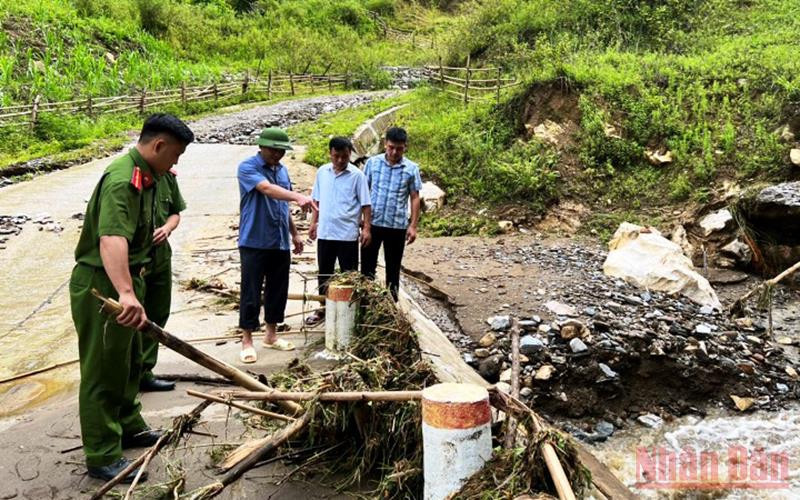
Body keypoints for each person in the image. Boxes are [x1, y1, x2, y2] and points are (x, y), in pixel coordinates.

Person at [69, 113, 194, 482]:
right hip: (104, 286)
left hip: (129, 279)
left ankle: (128, 425)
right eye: (175, 154)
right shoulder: (123, 179)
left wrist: (133, 288)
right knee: (103, 371)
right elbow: (111, 238)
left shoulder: (150, 176)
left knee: (128, 363)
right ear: (158, 145)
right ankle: (102, 454)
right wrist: (125, 292)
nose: (176, 162)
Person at [237, 127, 317, 363]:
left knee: (277, 290)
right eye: (273, 150)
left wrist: (295, 234)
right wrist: (298, 196)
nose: (277, 154)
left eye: (281, 151)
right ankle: (247, 340)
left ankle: (271, 335)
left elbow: (283, 205)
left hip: (279, 240)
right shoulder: (248, 167)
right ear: (261, 146)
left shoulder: (282, 171)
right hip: (254, 239)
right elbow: (267, 189)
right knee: (251, 291)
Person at [305, 137, 371, 326]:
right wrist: (313, 223)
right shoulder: (322, 172)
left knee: (349, 274)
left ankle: (349, 310)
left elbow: (366, 205)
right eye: (336, 156)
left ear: (350, 155)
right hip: (326, 232)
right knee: (324, 273)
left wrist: (367, 228)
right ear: (330, 154)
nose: (341, 160)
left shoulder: (357, 176)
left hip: (347, 234)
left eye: (345, 156)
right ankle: (323, 308)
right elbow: (316, 201)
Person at [361, 127, 422, 301]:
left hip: (397, 226)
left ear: (405, 147)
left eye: (399, 148)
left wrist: (413, 226)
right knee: (367, 267)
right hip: (372, 224)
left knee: (393, 268)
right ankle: (365, 303)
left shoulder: (411, 168)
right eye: (391, 147)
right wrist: (362, 221)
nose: (394, 152)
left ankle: (391, 306)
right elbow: (363, 192)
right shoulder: (372, 163)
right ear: (385, 144)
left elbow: (415, 197)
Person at [139, 165, 186, 392]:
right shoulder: (129, 177)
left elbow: (175, 212)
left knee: (157, 313)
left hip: (160, 258)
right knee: (133, 317)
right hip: (135, 261)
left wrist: (167, 228)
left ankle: (144, 371)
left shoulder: (168, 178)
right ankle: (128, 374)